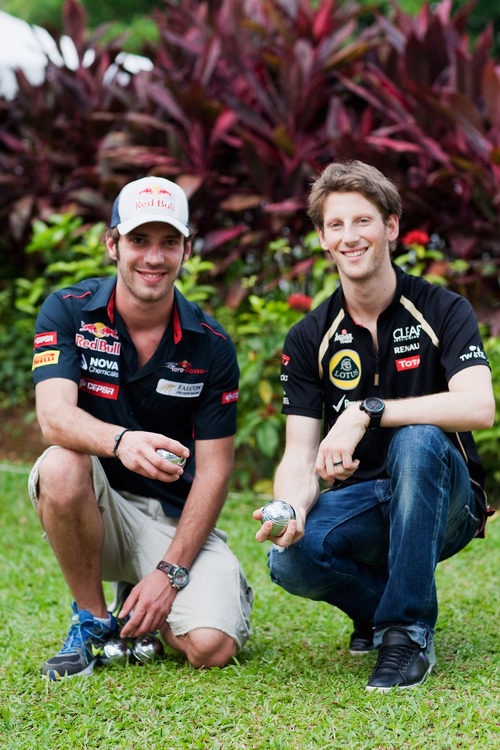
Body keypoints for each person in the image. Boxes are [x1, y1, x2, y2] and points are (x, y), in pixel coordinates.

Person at [254, 160, 495, 692]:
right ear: (322, 238)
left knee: (418, 438)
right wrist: (291, 508)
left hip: (446, 502)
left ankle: (407, 632)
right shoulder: (309, 335)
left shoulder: (443, 308)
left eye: (362, 221)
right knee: (288, 561)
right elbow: (298, 453)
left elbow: (480, 407)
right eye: (335, 225)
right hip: (367, 501)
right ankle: (382, 609)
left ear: (389, 227)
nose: (349, 236)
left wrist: (367, 411)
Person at [29, 176, 253, 680]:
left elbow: (215, 472)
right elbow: (53, 417)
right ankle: (91, 619)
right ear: (113, 244)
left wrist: (170, 575)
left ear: (186, 251)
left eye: (168, 242)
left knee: (210, 648)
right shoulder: (68, 310)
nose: (153, 257)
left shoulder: (211, 345)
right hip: (98, 509)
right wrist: (120, 442)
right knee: (63, 463)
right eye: (139, 240)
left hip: (171, 522)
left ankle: (146, 599)